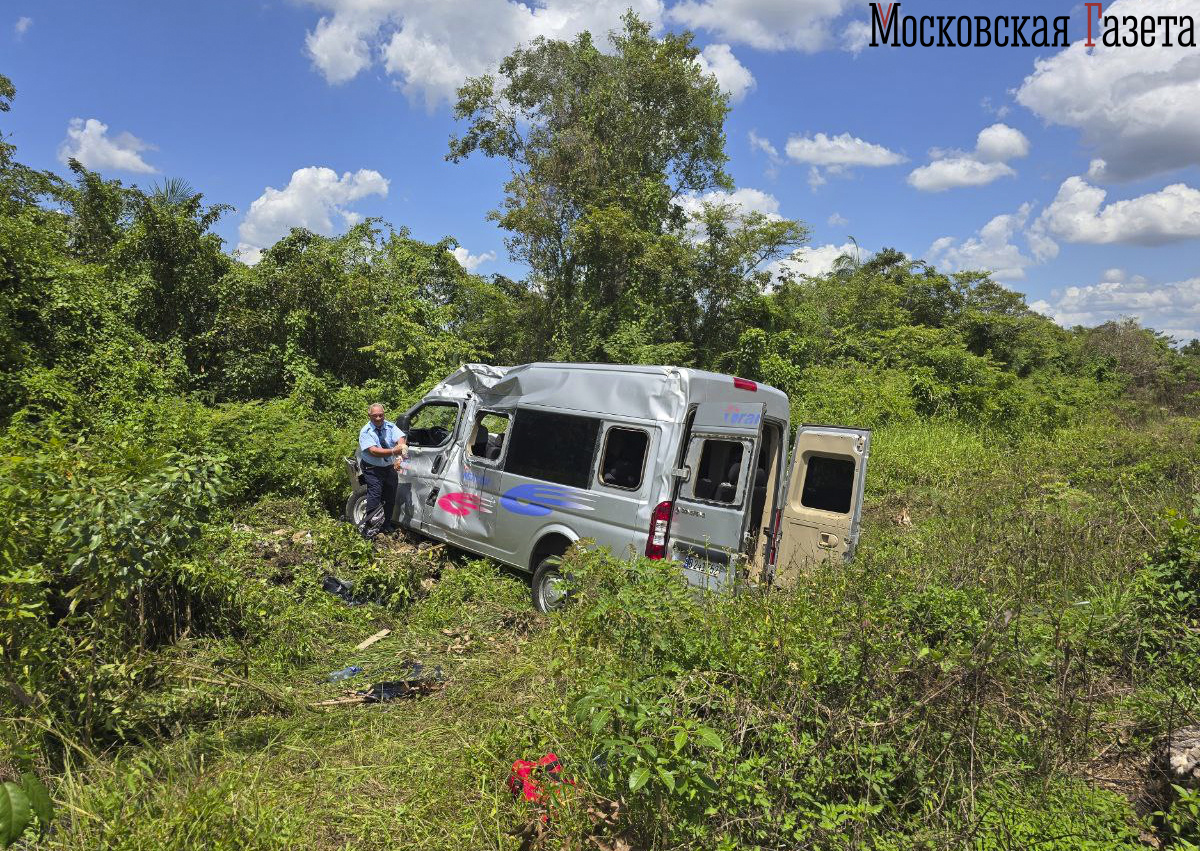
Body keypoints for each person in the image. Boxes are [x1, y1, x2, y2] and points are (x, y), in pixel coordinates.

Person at [357, 403, 408, 537]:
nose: (378, 418)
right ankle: (370, 529)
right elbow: (374, 451)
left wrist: (399, 454)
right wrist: (393, 451)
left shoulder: (390, 426)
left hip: (388, 467)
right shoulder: (365, 431)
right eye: (375, 416)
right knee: (375, 496)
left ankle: (386, 525)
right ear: (369, 416)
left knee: (390, 496)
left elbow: (401, 438)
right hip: (372, 468)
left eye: (381, 415)